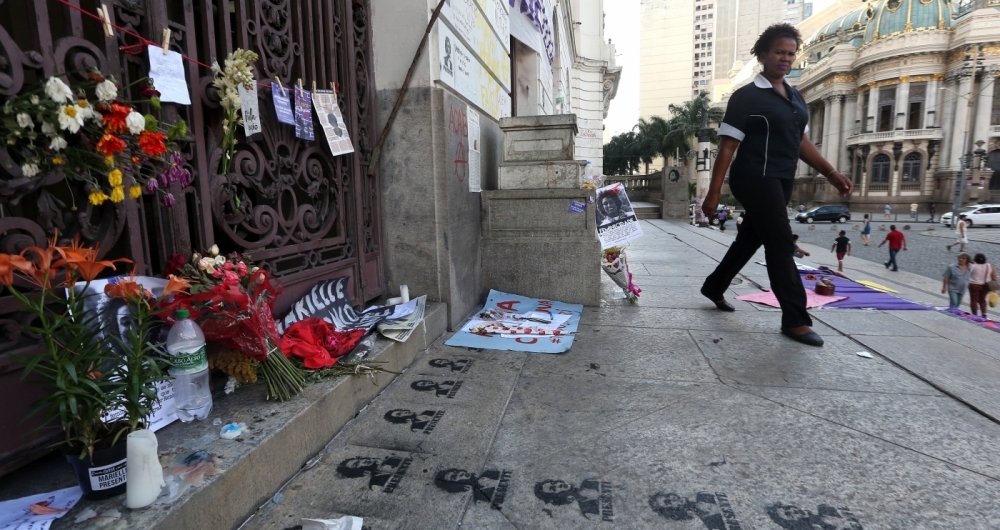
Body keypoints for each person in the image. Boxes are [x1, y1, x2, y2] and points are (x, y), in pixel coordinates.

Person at [701, 23, 852, 347]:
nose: (786, 58)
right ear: (764, 54)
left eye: (790, 53)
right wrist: (713, 193)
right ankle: (796, 319)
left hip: (782, 179)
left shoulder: (796, 97)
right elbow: (727, 146)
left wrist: (830, 172)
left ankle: (714, 286)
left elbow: (800, 141)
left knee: (750, 238)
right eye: (779, 52)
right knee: (781, 243)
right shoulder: (747, 97)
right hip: (753, 177)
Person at [968, 253, 997, 317]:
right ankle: (984, 313)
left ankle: (974, 314)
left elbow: (969, 265)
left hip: (974, 285)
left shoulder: (972, 266)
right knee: (982, 299)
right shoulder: (989, 266)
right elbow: (994, 278)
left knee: (974, 300)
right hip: (985, 286)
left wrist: (972, 261)